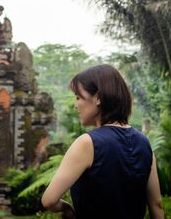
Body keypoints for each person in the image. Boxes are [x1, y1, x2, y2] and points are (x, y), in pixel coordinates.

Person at [41, 64, 164, 219]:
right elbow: (156, 204)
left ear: (98, 98)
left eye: (78, 97)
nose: (76, 104)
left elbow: (49, 200)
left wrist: (67, 209)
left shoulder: (87, 143)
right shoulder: (144, 143)